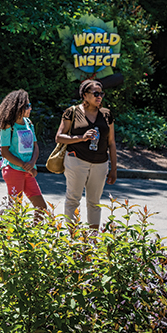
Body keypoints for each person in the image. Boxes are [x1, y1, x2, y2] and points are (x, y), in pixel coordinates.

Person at [55, 79, 117, 228]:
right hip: (76, 160)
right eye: (95, 93)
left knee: (94, 202)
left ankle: (93, 241)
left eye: (101, 93)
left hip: (100, 163)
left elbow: (112, 142)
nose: (99, 97)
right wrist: (81, 138)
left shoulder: (106, 114)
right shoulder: (72, 112)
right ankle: (72, 238)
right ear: (84, 95)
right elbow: (59, 137)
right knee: (73, 199)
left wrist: (113, 168)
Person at [0, 89, 48, 218]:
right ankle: (11, 236)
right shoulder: (8, 126)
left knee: (41, 207)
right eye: (27, 106)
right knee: (15, 210)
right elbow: (5, 152)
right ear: (18, 107)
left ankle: (34, 236)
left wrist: (32, 164)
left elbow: (35, 146)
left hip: (27, 169)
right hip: (13, 170)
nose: (30, 108)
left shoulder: (29, 123)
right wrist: (24, 165)